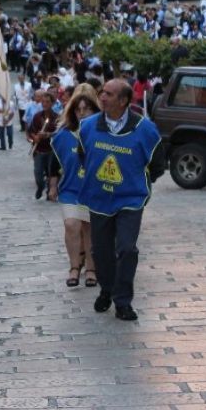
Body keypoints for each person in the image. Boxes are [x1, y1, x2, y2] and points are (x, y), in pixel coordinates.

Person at [77, 79, 165, 322]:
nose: (102, 97)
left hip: (130, 200)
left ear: (124, 101)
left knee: (126, 248)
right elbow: (84, 156)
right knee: (101, 251)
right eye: (102, 92)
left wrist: (136, 181)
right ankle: (107, 289)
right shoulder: (88, 127)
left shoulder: (145, 129)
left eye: (109, 94)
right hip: (99, 198)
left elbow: (158, 163)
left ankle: (123, 301)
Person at [48, 85, 101, 288]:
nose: (82, 113)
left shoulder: (100, 134)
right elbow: (55, 162)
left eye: (86, 109)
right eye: (78, 109)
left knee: (88, 229)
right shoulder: (63, 135)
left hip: (91, 190)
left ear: (94, 110)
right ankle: (73, 267)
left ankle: (90, 269)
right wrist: (52, 186)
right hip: (70, 189)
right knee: (72, 225)